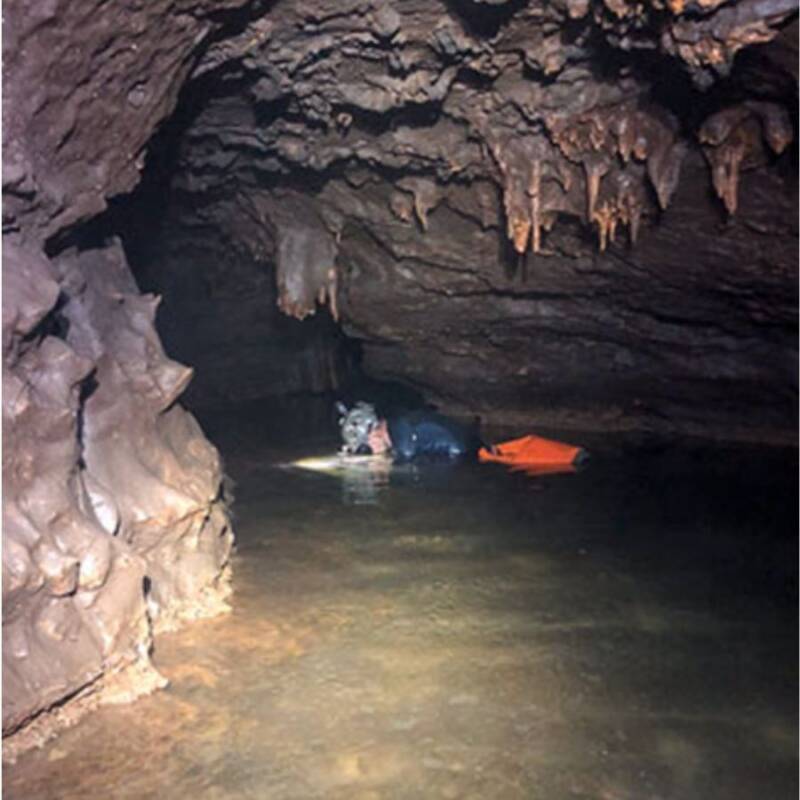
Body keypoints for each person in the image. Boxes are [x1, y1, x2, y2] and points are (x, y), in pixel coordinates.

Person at [336, 402, 482, 462]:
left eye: (366, 446)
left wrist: (380, 463)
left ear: (373, 433)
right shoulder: (397, 423)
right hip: (469, 444)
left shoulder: (401, 434)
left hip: (467, 457)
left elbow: (406, 458)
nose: (371, 450)